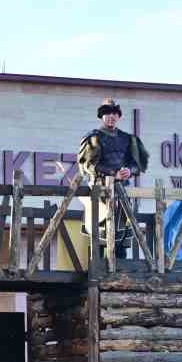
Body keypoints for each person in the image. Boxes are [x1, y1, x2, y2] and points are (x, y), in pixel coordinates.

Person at [77, 98, 151, 259]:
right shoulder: (93, 138)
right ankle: (96, 271)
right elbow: (87, 165)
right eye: (107, 113)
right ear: (101, 116)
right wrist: (112, 173)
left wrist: (129, 171)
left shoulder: (128, 138)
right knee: (99, 236)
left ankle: (121, 273)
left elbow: (139, 165)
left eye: (114, 113)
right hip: (100, 192)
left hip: (122, 192)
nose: (110, 116)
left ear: (118, 116)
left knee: (121, 238)